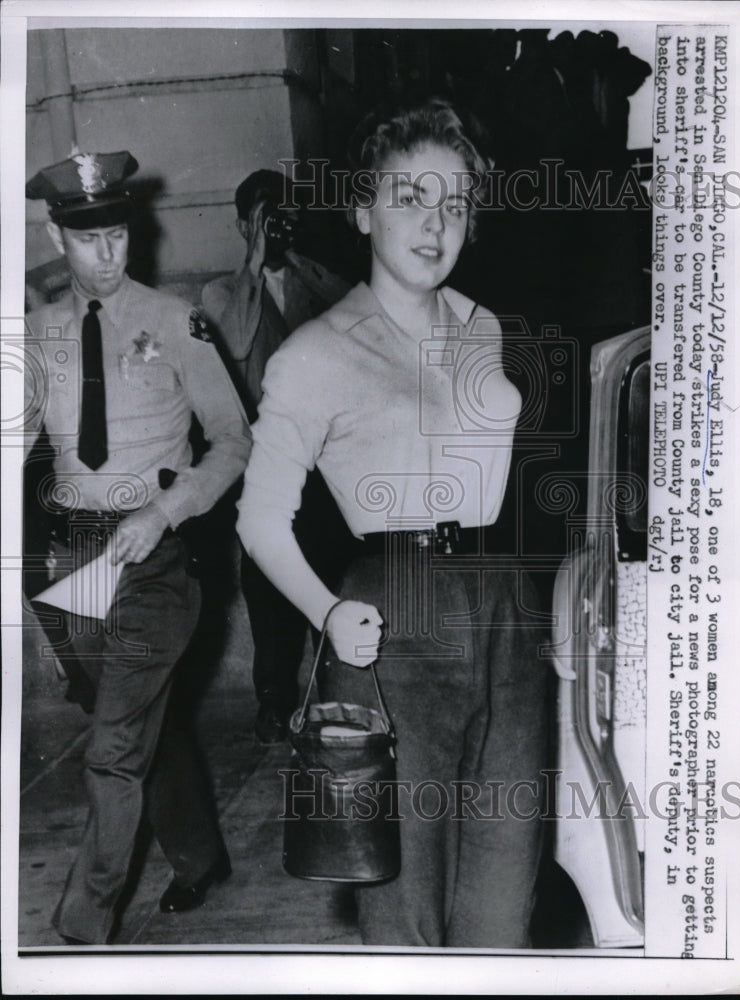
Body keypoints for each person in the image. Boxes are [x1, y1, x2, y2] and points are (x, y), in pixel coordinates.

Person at [236, 100, 549, 947]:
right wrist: (325, 613)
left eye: (454, 203)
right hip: (391, 617)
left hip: (508, 609)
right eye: (409, 197)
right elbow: (261, 517)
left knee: (505, 893)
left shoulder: (486, 328)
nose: (434, 222)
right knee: (401, 896)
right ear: (363, 208)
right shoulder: (315, 353)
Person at [24, 150, 252, 945]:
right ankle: (198, 858)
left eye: (119, 235)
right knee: (133, 715)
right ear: (58, 235)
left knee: (113, 746)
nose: (108, 254)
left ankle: (82, 927)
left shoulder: (178, 319)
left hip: (159, 557)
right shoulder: (36, 332)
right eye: (89, 240)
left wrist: (167, 510)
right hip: (76, 564)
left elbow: (233, 441)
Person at [202, 170, 354, 744]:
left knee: (331, 572)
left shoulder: (314, 280)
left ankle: (339, 691)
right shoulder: (222, 292)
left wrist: (293, 255)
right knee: (268, 586)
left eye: (283, 213)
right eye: (264, 217)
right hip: (266, 462)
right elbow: (236, 341)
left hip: (326, 461)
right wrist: (255, 261)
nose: (276, 225)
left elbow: (359, 315)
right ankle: (275, 699)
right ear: (244, 225)